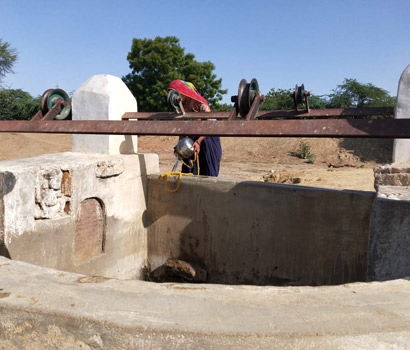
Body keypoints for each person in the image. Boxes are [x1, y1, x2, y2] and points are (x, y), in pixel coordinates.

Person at [168, 80, 222, 176]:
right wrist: (180, 143)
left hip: (207, 138)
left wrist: (198, 141)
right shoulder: (180, 106)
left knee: (207, 170)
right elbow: (182, 126)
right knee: (189, 169)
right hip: (191, 138)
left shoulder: (201, 104)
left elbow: (209, 125)